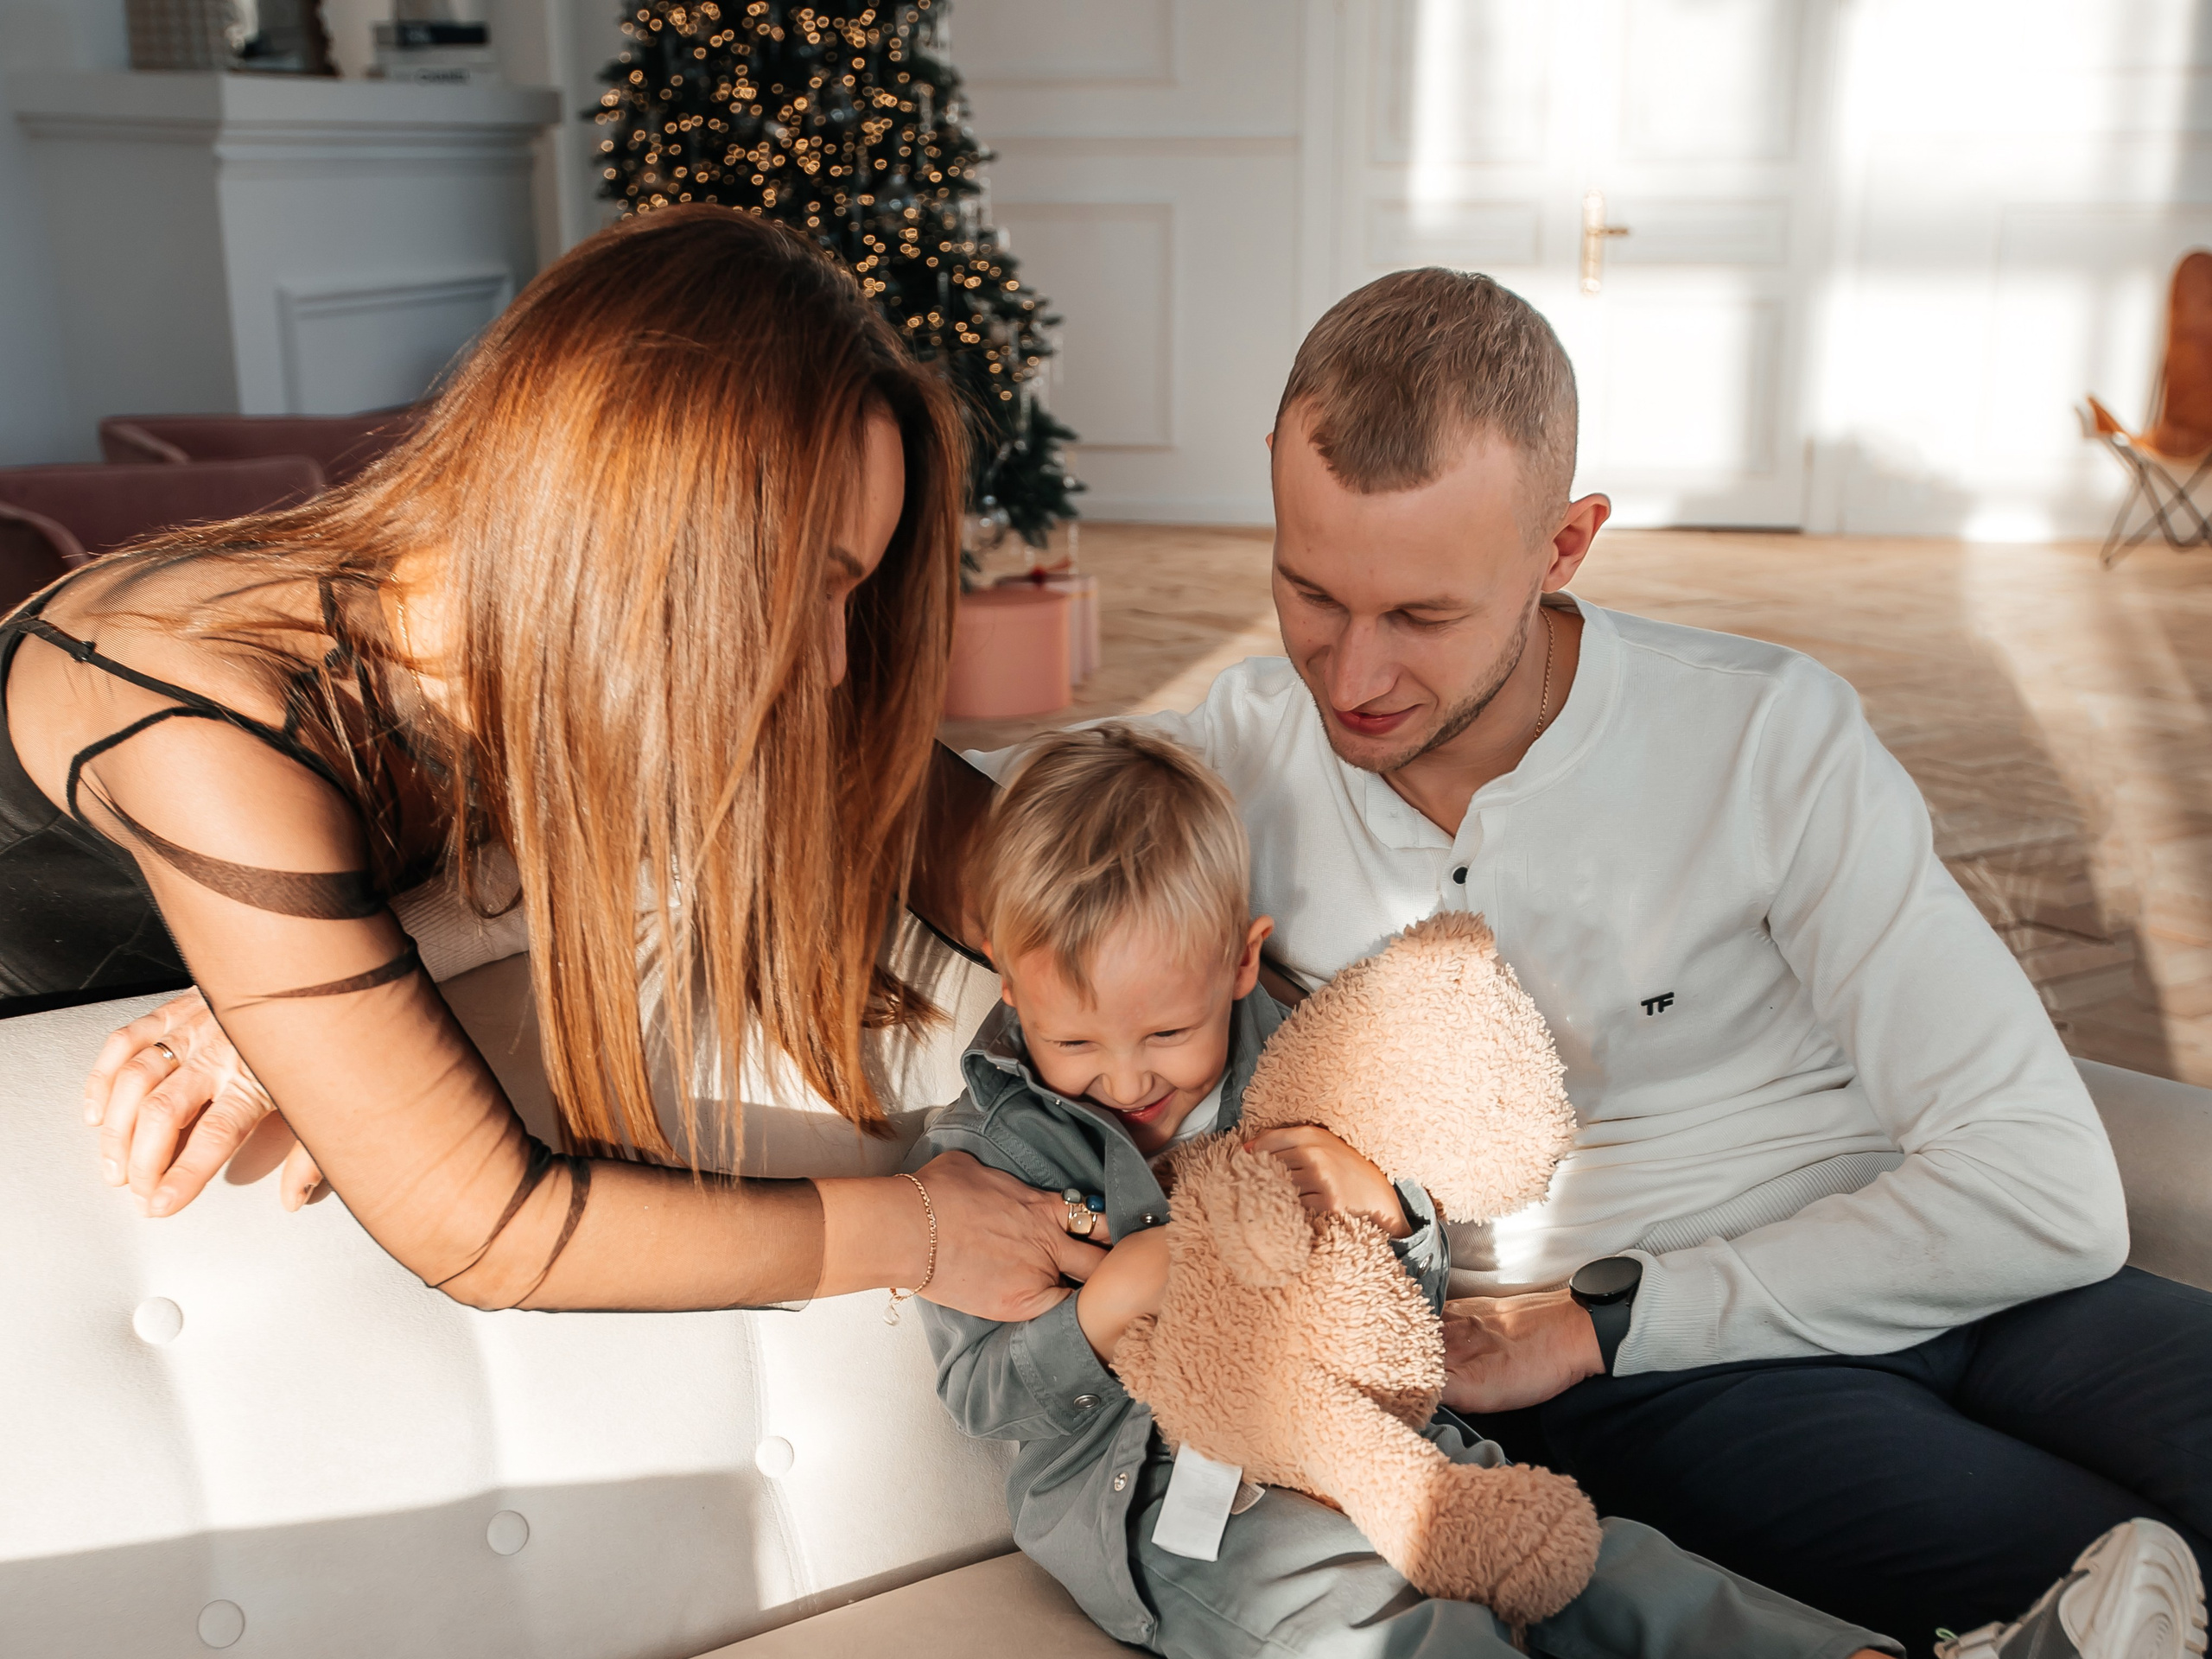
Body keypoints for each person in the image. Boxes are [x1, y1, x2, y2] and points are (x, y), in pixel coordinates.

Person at [961, 270, 2212, 1657]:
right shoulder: (1215, 777)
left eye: (1423, 616)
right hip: (1677, 1394)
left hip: (1942, 1280)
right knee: (2131, 1607)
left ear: (1565, 544)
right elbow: (948, 828)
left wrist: (1604, 1321)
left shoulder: (1768, 735)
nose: (1351, 677)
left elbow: (2048, 1188)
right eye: (1309, 591)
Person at [3, 206, 1103, 1322]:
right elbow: (481, 1228)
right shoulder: (208, 714)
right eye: (805, 587)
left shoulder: (598, 641)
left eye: (848, 593)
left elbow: (1011, 874)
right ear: (632, 530)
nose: (827, 664)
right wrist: (921, 1229)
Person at [915, 719, 1907, 1659]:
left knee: (1570, 1552)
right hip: (1177, 1496)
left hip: (1376, 1435)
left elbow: (1397, 1330)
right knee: (1379, 1624)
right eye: (1075, 1041)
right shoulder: (988, 1155)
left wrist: (1389, 1213)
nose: (1126, 1079)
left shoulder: (1297, 1069)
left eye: (1166, 1035)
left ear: (1240, 962)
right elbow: (982, 1396)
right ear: (1010, 986)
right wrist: (1109, 1303)